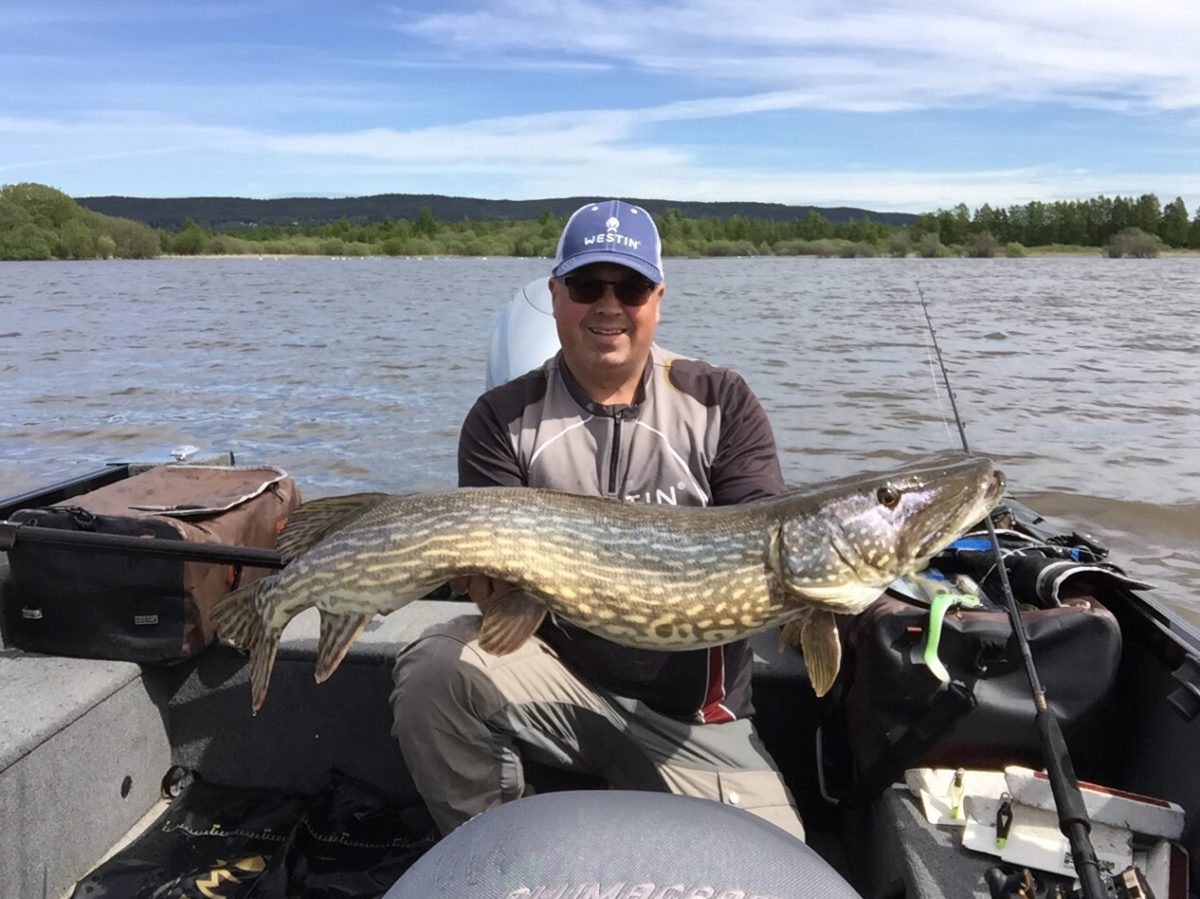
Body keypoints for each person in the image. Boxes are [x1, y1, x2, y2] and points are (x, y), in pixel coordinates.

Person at [389, 199, 804, 840]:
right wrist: (479, 579)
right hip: (556, 692)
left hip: (696, 722)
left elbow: (761, 528)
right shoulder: (502, 416)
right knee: (435, 670)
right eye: (587, 285)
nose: (609, 306)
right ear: (555, 295)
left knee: (771, 873)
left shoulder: (720, 399)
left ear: (657, 298)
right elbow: (501, 599)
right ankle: (496, 857)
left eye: (631, 287)